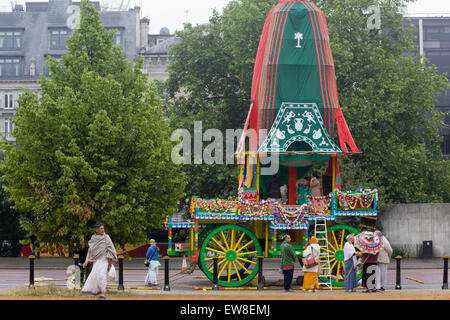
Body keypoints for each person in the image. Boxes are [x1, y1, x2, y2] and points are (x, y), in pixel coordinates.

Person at [82, 222, 118, 300]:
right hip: (96, 260)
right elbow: (90, 250)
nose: (103, 230)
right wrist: (86, 261)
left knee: (102, 275)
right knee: (95, 276)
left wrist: (112, 259)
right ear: (96, 230)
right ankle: (97, 291)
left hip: (104, 259)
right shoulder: (93, 238)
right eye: (101, 228)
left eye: (103, 228)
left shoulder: (106, 237)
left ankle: (103, 294)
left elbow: (112, 248)